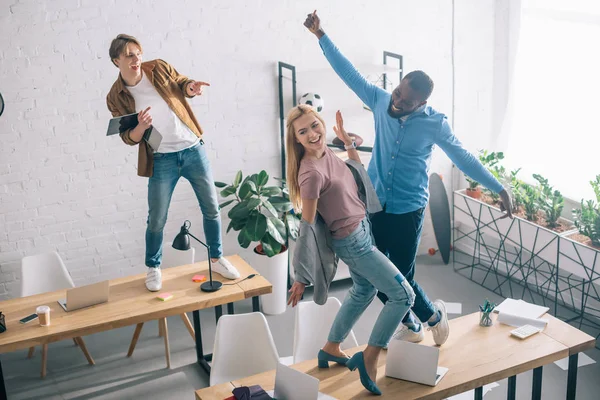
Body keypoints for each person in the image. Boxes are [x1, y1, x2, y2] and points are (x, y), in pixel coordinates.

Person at [303, 11, 513, 344]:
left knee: (402, 279)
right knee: (380, 278)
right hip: (371, 205)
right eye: (398, 93)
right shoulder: (381, 99)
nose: (398, 103)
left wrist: (498, 187)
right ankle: (416, 325)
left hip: (408, 210)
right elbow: (348, 73)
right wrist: (321, 36)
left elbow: (464, 157)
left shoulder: (435, 123)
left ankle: (432, 317)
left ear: (422, 103)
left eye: (407, 101)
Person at [286, 104, 416, 395]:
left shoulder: (327, 152)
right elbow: (306, 229)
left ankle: (331, 347)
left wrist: (346, 140)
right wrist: (300, 275)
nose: (312, 134)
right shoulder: (311, 175)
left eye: (314, 126)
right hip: (353, 243)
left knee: (364, 290)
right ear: (295, 139)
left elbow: (356, 170)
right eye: (303, 131)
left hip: (363, 231)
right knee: (403, 295)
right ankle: (368, 357)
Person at [106, 34, 239, 292]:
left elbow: (181, 83)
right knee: (156, 218)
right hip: (160, 159)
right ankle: (153, 268)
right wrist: (141, 127)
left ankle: (216, 258)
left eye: (137, 53)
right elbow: (128, 137)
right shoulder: (116, 96)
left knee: (211, 208)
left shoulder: (158, 67)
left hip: (192, 149)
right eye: (129, 55)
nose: (136, 59)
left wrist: (191, 87)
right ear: (116, 61)